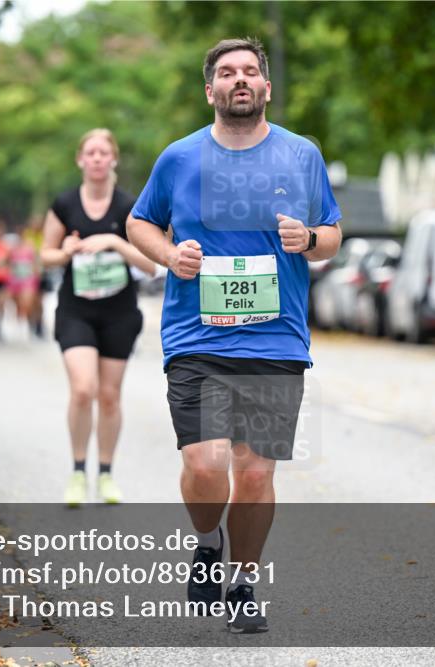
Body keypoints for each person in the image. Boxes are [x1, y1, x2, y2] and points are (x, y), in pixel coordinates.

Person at [127, 38, 342, 634]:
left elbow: (331, 232)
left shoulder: (301, 155)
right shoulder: (179, 158)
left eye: (250, 71)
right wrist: (170, 255)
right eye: (227, 73)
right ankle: (207, 541)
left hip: (276, 340)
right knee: (205, 465)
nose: (239, 79)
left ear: (267, 87)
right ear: (210, 91)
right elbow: (139, 222)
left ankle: (244, 584)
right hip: (196, 337)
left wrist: (310, 240)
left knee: (253, 474)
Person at [41, 128, 156, 507]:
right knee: (83, 389)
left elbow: (152, 264)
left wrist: (115, 242)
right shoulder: (64, 204)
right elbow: (46, 255)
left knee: (108, 397)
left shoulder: (129, 207)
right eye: (89, 152)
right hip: (76, 310)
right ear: (80, 160)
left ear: (113, 159)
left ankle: (105, 473)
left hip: (119, 313)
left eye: (103, 152)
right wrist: (66, 251)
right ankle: (78, 471)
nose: (96, 158)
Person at [7, 230, 41, 338]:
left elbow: (36, 263)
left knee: (27, 303)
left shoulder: (30, 249)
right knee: (18, 304)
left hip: (28, 280)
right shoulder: (12, 250)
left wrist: (36, 275)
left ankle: (30, 324)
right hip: (16, 281)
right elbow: (9, 264)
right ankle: (20, 324)